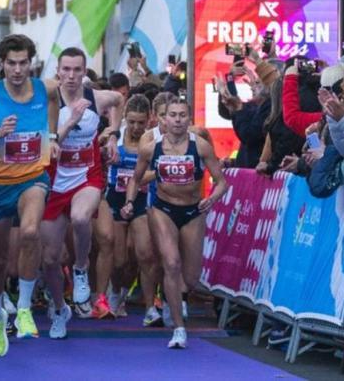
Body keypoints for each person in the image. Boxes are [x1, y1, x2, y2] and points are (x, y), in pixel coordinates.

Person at [0, 34, 58, 356]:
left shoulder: (47, 89)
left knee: (31, 231)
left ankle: (25, 308)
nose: (17, 70)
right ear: (1, 64)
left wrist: (54, 136)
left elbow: (54, 108)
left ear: (31, 63)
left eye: (23, 63)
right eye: (11, 64)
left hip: (33, 177)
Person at [122, 96, 227, 350]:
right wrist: (129, 201)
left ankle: (173, 298)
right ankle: (179, 330)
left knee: (189, 278)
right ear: (164, 119)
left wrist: (211, 198)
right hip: (162, 209)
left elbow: (222, 181)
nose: (178, 120)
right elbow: (136, 179)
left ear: (189, 119)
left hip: (193, 211)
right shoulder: (151, 147)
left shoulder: (200, 146)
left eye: (182, 115)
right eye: (173, 115)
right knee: (171, 262)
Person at [41, 47, 122, 334]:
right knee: (50, 258)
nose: (72, 75)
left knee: (80, 218)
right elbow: (49, 146)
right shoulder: (48, 102)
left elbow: (119, 99)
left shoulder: (96, 98)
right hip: (54, 179)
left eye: (78, 70)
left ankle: (80, 267)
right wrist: (72, 121)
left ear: (84, 72)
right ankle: (60, 309)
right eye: (67, 69)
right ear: (58, 72)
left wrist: (112, 133)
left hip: (87, 175)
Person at [108, 95, 162, 326]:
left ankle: (150, 308)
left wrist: (141, 177)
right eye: (131, 122)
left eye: (141, 122)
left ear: (149, 119)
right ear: (125, 119)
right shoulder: (115, 137)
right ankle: (116, 292)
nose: (136, 127)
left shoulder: (154, 141)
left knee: (144, 254)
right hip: (115, 199)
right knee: (120, 260)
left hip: (141, 201)